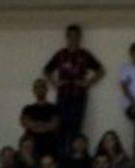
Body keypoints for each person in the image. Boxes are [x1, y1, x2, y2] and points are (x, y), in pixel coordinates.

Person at [44, 24, 105, 152]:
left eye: (75, 36)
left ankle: (74, 154)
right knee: (61, 127)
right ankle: (60, 156)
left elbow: (100, 70)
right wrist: (55, 83)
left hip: (78, 96)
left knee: (75, 127)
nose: (73, 38)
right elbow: (47, 70)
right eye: (70, 36)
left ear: (79, 37)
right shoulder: (60, 54)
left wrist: (88, 83)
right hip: (63, 95)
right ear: (66, 37)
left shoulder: (85, 55)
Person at [20, 77, 61, 160]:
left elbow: (54, 125)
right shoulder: (27, 109)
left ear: (46, 89)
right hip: (31, 146)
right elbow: (26, 123)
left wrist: (36, 125)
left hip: (49, 145)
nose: (39, 89)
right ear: (34, 90)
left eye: (42, 87)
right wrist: (44, 125)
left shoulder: (54, 108)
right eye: (37, 87)